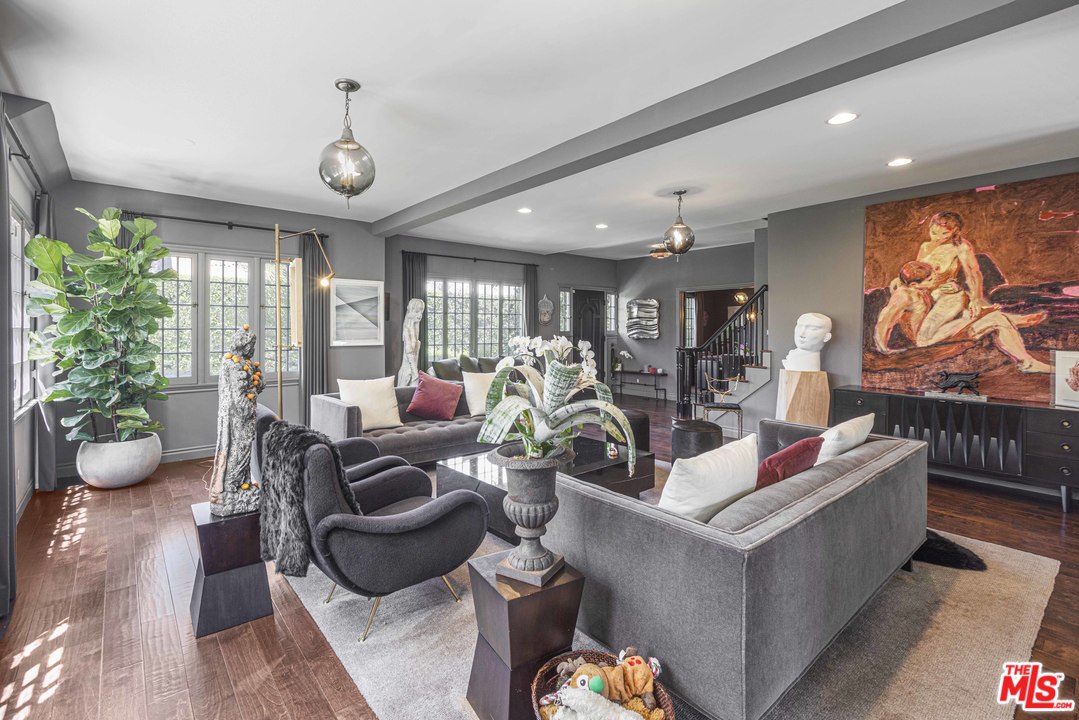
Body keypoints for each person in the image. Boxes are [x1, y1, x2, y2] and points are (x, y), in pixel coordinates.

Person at [874, 260, 1050, 373]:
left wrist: (950, 289)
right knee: (995, 319)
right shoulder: (904, 295)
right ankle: (1026, 360)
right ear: (913, 284)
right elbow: (885, 319)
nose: (935, 280)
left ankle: (991, 317)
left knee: (958, 295)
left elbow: (924, 307)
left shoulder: (916, 289)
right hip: (925, 337)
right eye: (931, 279)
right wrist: (883, 348)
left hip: (931, 327)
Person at [397, 298, 425, 386]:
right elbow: (409, 351)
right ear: (410, 312)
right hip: (407, 373)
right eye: (417, 311)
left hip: (413, 372)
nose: (420, 315)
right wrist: (415, 372)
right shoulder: (407, 330)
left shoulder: (415, 331)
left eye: (421, 311)